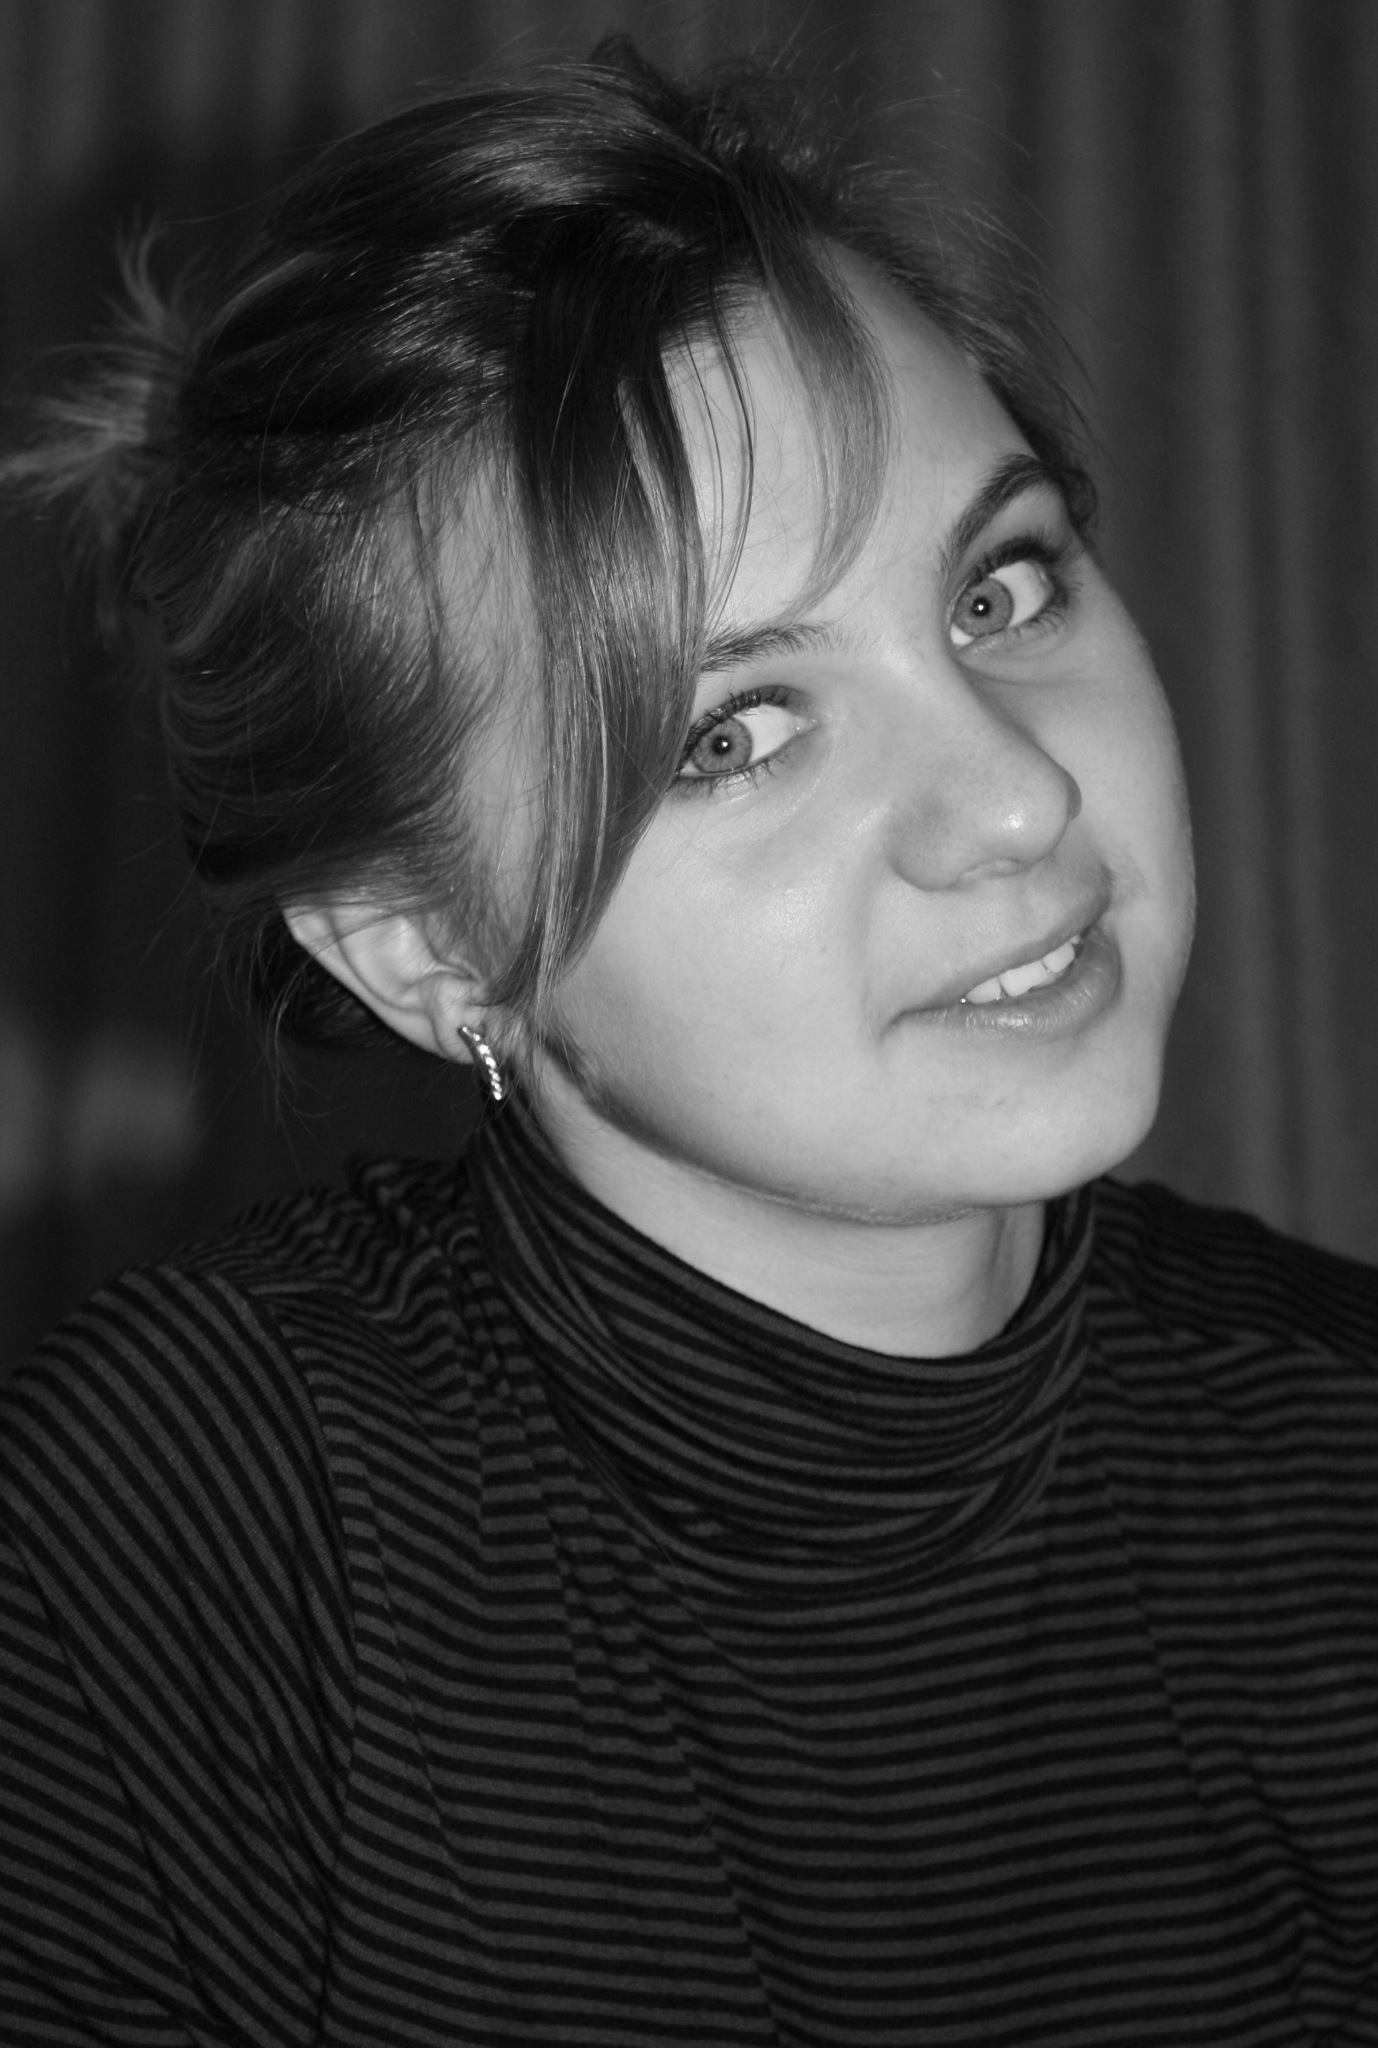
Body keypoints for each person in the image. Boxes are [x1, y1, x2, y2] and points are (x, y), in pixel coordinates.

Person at [1, 37, 1375, 2046]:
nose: (1015, 801)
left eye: (998, 592)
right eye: (731, 732)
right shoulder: (192, 1530)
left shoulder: (1333, 1454)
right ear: (426, 949)